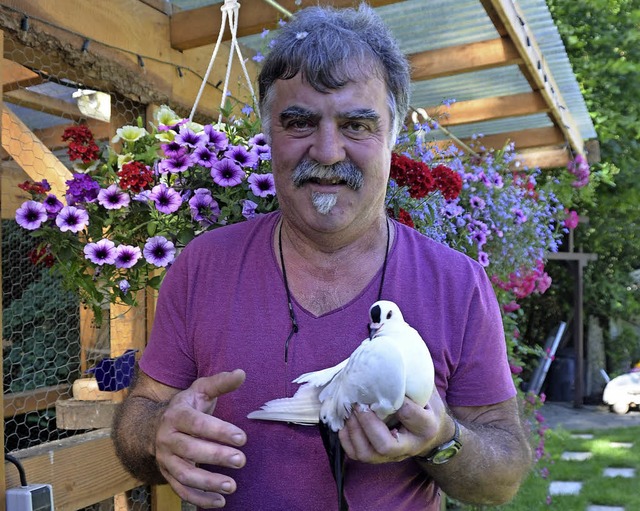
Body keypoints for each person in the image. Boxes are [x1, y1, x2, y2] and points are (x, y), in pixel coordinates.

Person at [112, 5, 533, 510]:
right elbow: (141, 415)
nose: (328, 151)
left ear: (393, 135)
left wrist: (441, 438)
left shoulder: (456, 283)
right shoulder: (203, 265)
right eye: (299, 122)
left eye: (357, 124)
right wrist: (159, 433)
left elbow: (503, 475)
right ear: (268, 133)